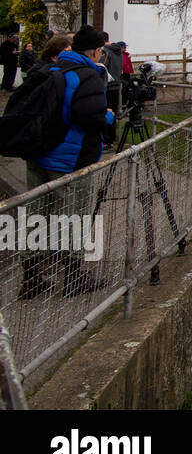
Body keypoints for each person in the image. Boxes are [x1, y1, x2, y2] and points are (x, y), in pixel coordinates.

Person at [18, 25, 116, 299]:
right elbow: (90, 119)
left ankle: (32, 277)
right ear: (96, 51)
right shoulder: (88, 76)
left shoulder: (48, 70)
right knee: (74, 216)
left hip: (38, 155)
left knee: (36, 216)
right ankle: (74, 277)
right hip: (69, 160)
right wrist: (108, 116)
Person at [100, 32, 124, 115]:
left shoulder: (105, 51)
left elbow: (102, 67)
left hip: (107, 85)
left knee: (106, 112)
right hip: (117, 83)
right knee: (114, 112)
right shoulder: (118, 51)